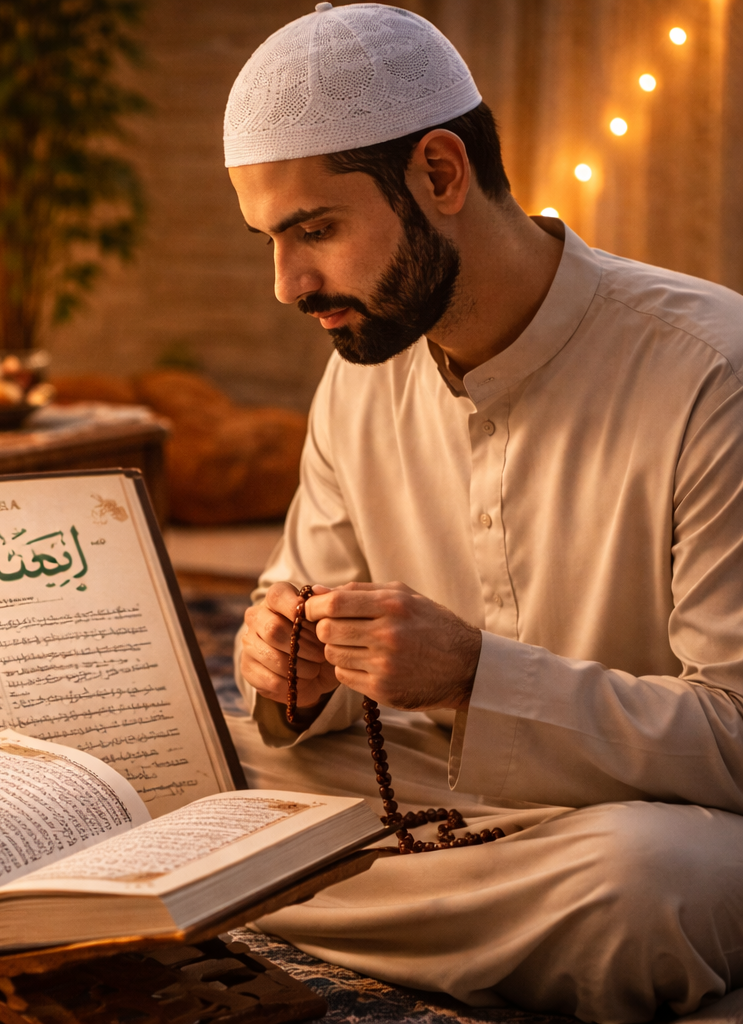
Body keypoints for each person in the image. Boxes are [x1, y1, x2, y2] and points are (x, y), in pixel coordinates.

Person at [221, 4, 743, 1023]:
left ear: (440, 174)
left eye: (312, 230)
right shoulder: (362, 366)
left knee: (650, 887)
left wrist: (469, 675)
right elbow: (299, 660)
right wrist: (285, 670)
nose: (287, 285)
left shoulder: (709, 370)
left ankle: (261, 902)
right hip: (441, 802)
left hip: (640, 826)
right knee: (169, 781)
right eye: (267, 241)